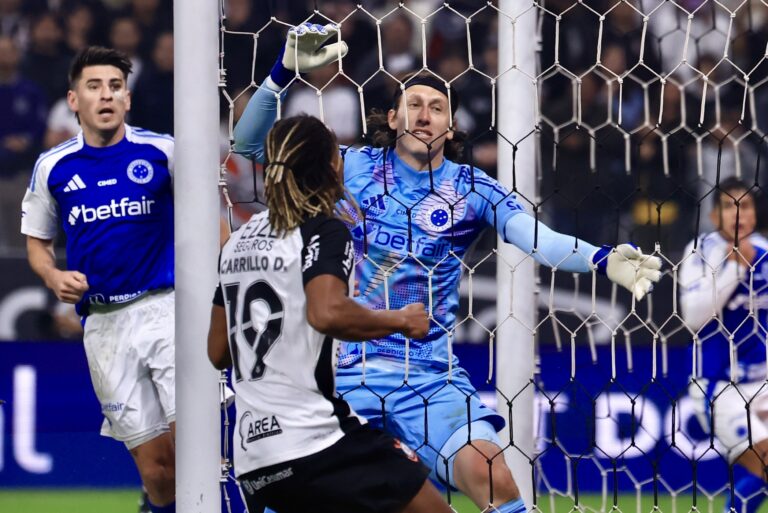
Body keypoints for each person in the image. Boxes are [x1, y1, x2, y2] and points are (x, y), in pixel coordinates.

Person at [233, 23, 662, 512]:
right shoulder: (349, 166)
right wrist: (281, 74)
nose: (425, 114)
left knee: (491, 472)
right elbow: (251, 147)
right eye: (414, 104)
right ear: (392, 117)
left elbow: (536, 238)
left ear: (450, 127)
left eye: (437, 108)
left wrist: (602, 260)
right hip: (342, 375)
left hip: (428, 376)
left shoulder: (472, 188)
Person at [208, 114, 453, 513]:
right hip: (316, 440)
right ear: (330, 165)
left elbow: (218, 350)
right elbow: (327, 313)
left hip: (254, 458)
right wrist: (401, 320)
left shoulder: (237, 243)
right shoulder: (321, 230)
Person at [20, 46, 176, 513]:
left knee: (199, 444)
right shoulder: (53, 167)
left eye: (114, 86)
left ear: (127, 99)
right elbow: (37, 243)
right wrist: (52, 276)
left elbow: (211, 222)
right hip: (104, 325)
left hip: (167, 307)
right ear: (74, 100)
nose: (105, 95)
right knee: (158, 471)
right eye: (94, 87)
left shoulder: (163, 152)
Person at [682, 177, 768, 513]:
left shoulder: (766, 250)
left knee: (761, 471)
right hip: (719, 387)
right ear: (715, 216)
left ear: (754, 214)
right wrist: (735, 266)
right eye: (729, 206)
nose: (737, 214)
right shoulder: (700, 251)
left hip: (763, 382)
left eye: (744, 205)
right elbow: (693, 316)